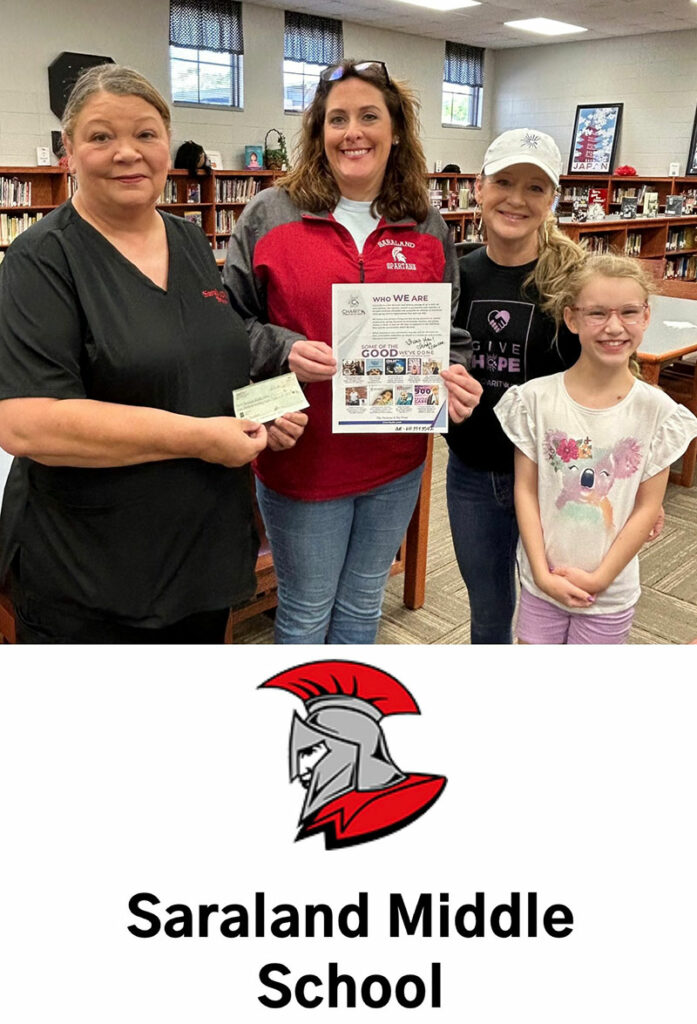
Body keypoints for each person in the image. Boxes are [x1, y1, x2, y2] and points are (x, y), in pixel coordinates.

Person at [0, 65, 306, 644]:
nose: (127, 153)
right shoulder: (41, 259)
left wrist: (264, 410)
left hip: (202, 553)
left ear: (167, 145)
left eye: (145, 134)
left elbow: (208, 357)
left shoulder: (189, 239)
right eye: (100, 136)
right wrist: (199, 437)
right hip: (95, 571)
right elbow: (27, 423)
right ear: (68, 151)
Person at [224, 59, 482, 644]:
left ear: (396, 131)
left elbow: (449, 333)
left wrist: (457, 376)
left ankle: (348, 725)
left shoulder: (426, 225)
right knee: (306, 610)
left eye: (370, 116)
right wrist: (283, 348)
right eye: (336, 119)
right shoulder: (268, 215)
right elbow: (226, 330)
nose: (353, 132)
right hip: (302, 460)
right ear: (319, 133)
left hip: (396, 462)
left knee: (364, 603)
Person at [495, 253, 697, 644]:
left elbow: (646, 507)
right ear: (571, 319)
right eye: (597, 314)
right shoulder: (535, 400)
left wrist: (600, 579)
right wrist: (539, 571)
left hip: (609, 592)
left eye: (628, 312)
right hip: (542, 583)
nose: (614, 327)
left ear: (647, 316)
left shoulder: (657, 413)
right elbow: (525, 489)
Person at [445, 128, 588, 644]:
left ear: (552, 199)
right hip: (472, 473)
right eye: (504, 181)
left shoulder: (573, 282)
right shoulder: (454, 275)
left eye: (535, 188)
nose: (517, 199)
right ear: (479, 188)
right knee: (488, 614)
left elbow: (612, 384)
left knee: (554, 616)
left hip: (557, 480)